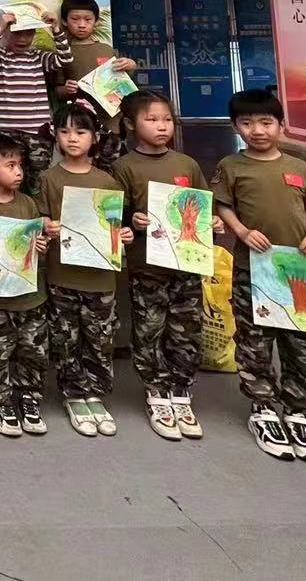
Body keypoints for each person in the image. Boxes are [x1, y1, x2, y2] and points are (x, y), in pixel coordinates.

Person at [213, 89, 306, 464]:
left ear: (281, 125)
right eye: (247, 123)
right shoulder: (231, 166)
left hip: (299, 269)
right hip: (253, 268)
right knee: (254, 341)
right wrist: (242, 231)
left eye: (266, 122)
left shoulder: (299, 168)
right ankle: (262, 407)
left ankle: (297, 410)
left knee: (302, 342)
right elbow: (223, 206)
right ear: (235, 127)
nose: (258, 130)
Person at [113, 90, 211, 441]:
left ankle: (181, 390)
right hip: (147, 266)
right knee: (148, 329)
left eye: (167, 119)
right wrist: (132, 220)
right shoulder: (124, 167)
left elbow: (203, 205)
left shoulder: (187, 165)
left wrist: (211, 221)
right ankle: (156, 390)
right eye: (151, 119)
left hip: (185, 265)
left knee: (187, 328)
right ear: (130, 124)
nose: (161, 126)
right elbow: (114, 215)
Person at [40, 99, 131, 438]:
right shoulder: (49, 178)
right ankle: (74, 395)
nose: (72, 138)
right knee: (66, 337)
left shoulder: (107, 181)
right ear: (56, 136)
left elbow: (116, 225)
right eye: (64, 132)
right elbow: (40, 217)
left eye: (80, 132)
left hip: (100, 276)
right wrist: (45, 225)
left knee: (99, 337)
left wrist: (124, 234)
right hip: (62, 274)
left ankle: (95, 394)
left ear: (95, 137)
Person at [0, 133, 52, 438]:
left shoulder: (28, 203)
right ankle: (0, 401)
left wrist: (41, 245)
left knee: (33, 350)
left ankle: (29, 397)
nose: (18, 172)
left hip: (31, 296)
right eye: (10, 165)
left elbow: (37, 245)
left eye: (20, 165)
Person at [52, 0, 139, 168]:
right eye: (75, 19)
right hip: (80, 125)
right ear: (64, 21)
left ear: (96, 22)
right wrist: (66, 89)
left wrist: (131, 65)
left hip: (111, 122)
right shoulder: (62, 53)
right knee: (81, 167)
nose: (81, 24)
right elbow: (56, 90)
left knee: (112, 167)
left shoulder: (106, 50)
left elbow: (123, 82)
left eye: (87, 19)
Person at [0, 9, 59, 195]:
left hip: (38, 132)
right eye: (17, 33)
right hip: (7, 132)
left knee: (38, 180)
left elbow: (64, 59)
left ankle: (37, 212)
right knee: (6, 179)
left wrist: (55, 29)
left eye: (28, 33)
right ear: (7, 33)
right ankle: (10, 211)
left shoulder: (39, 57)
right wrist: (0, 26)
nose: (22, 39)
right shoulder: (1, 56)